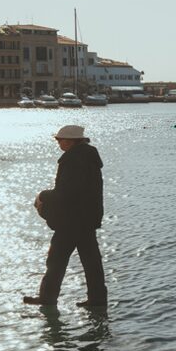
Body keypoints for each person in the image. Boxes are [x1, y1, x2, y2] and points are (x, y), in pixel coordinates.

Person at [24, 124, 108, 308]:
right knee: (91, 262)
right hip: (87, 219)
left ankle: (47, 298)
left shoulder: (72, 160)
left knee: (56, 260)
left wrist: (43, 195)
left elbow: (67, 193)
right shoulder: (89, 157)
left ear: (70, 141)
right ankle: (98, 300)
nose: (58, 143)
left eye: (60, 139)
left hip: (71, 221)